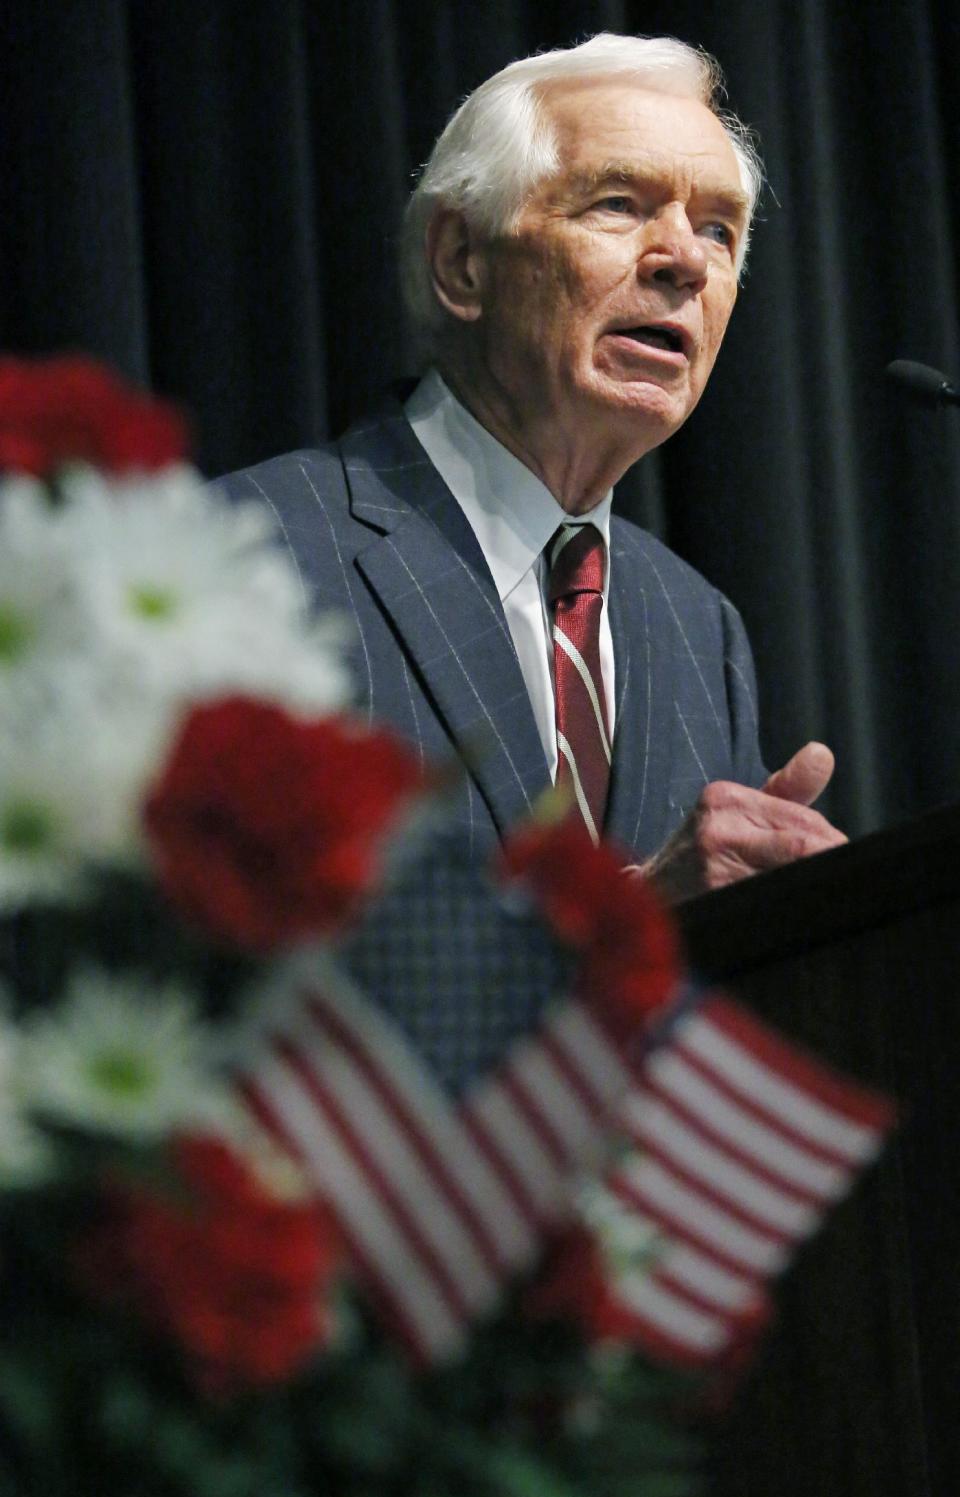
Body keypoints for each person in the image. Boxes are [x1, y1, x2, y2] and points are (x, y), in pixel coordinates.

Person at [217, 31, 845, 899]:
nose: (687, 262)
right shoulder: (253, 556)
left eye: (718, 231)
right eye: (620, 204)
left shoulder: (703, 631)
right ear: (463, 263)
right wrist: (623, 923)